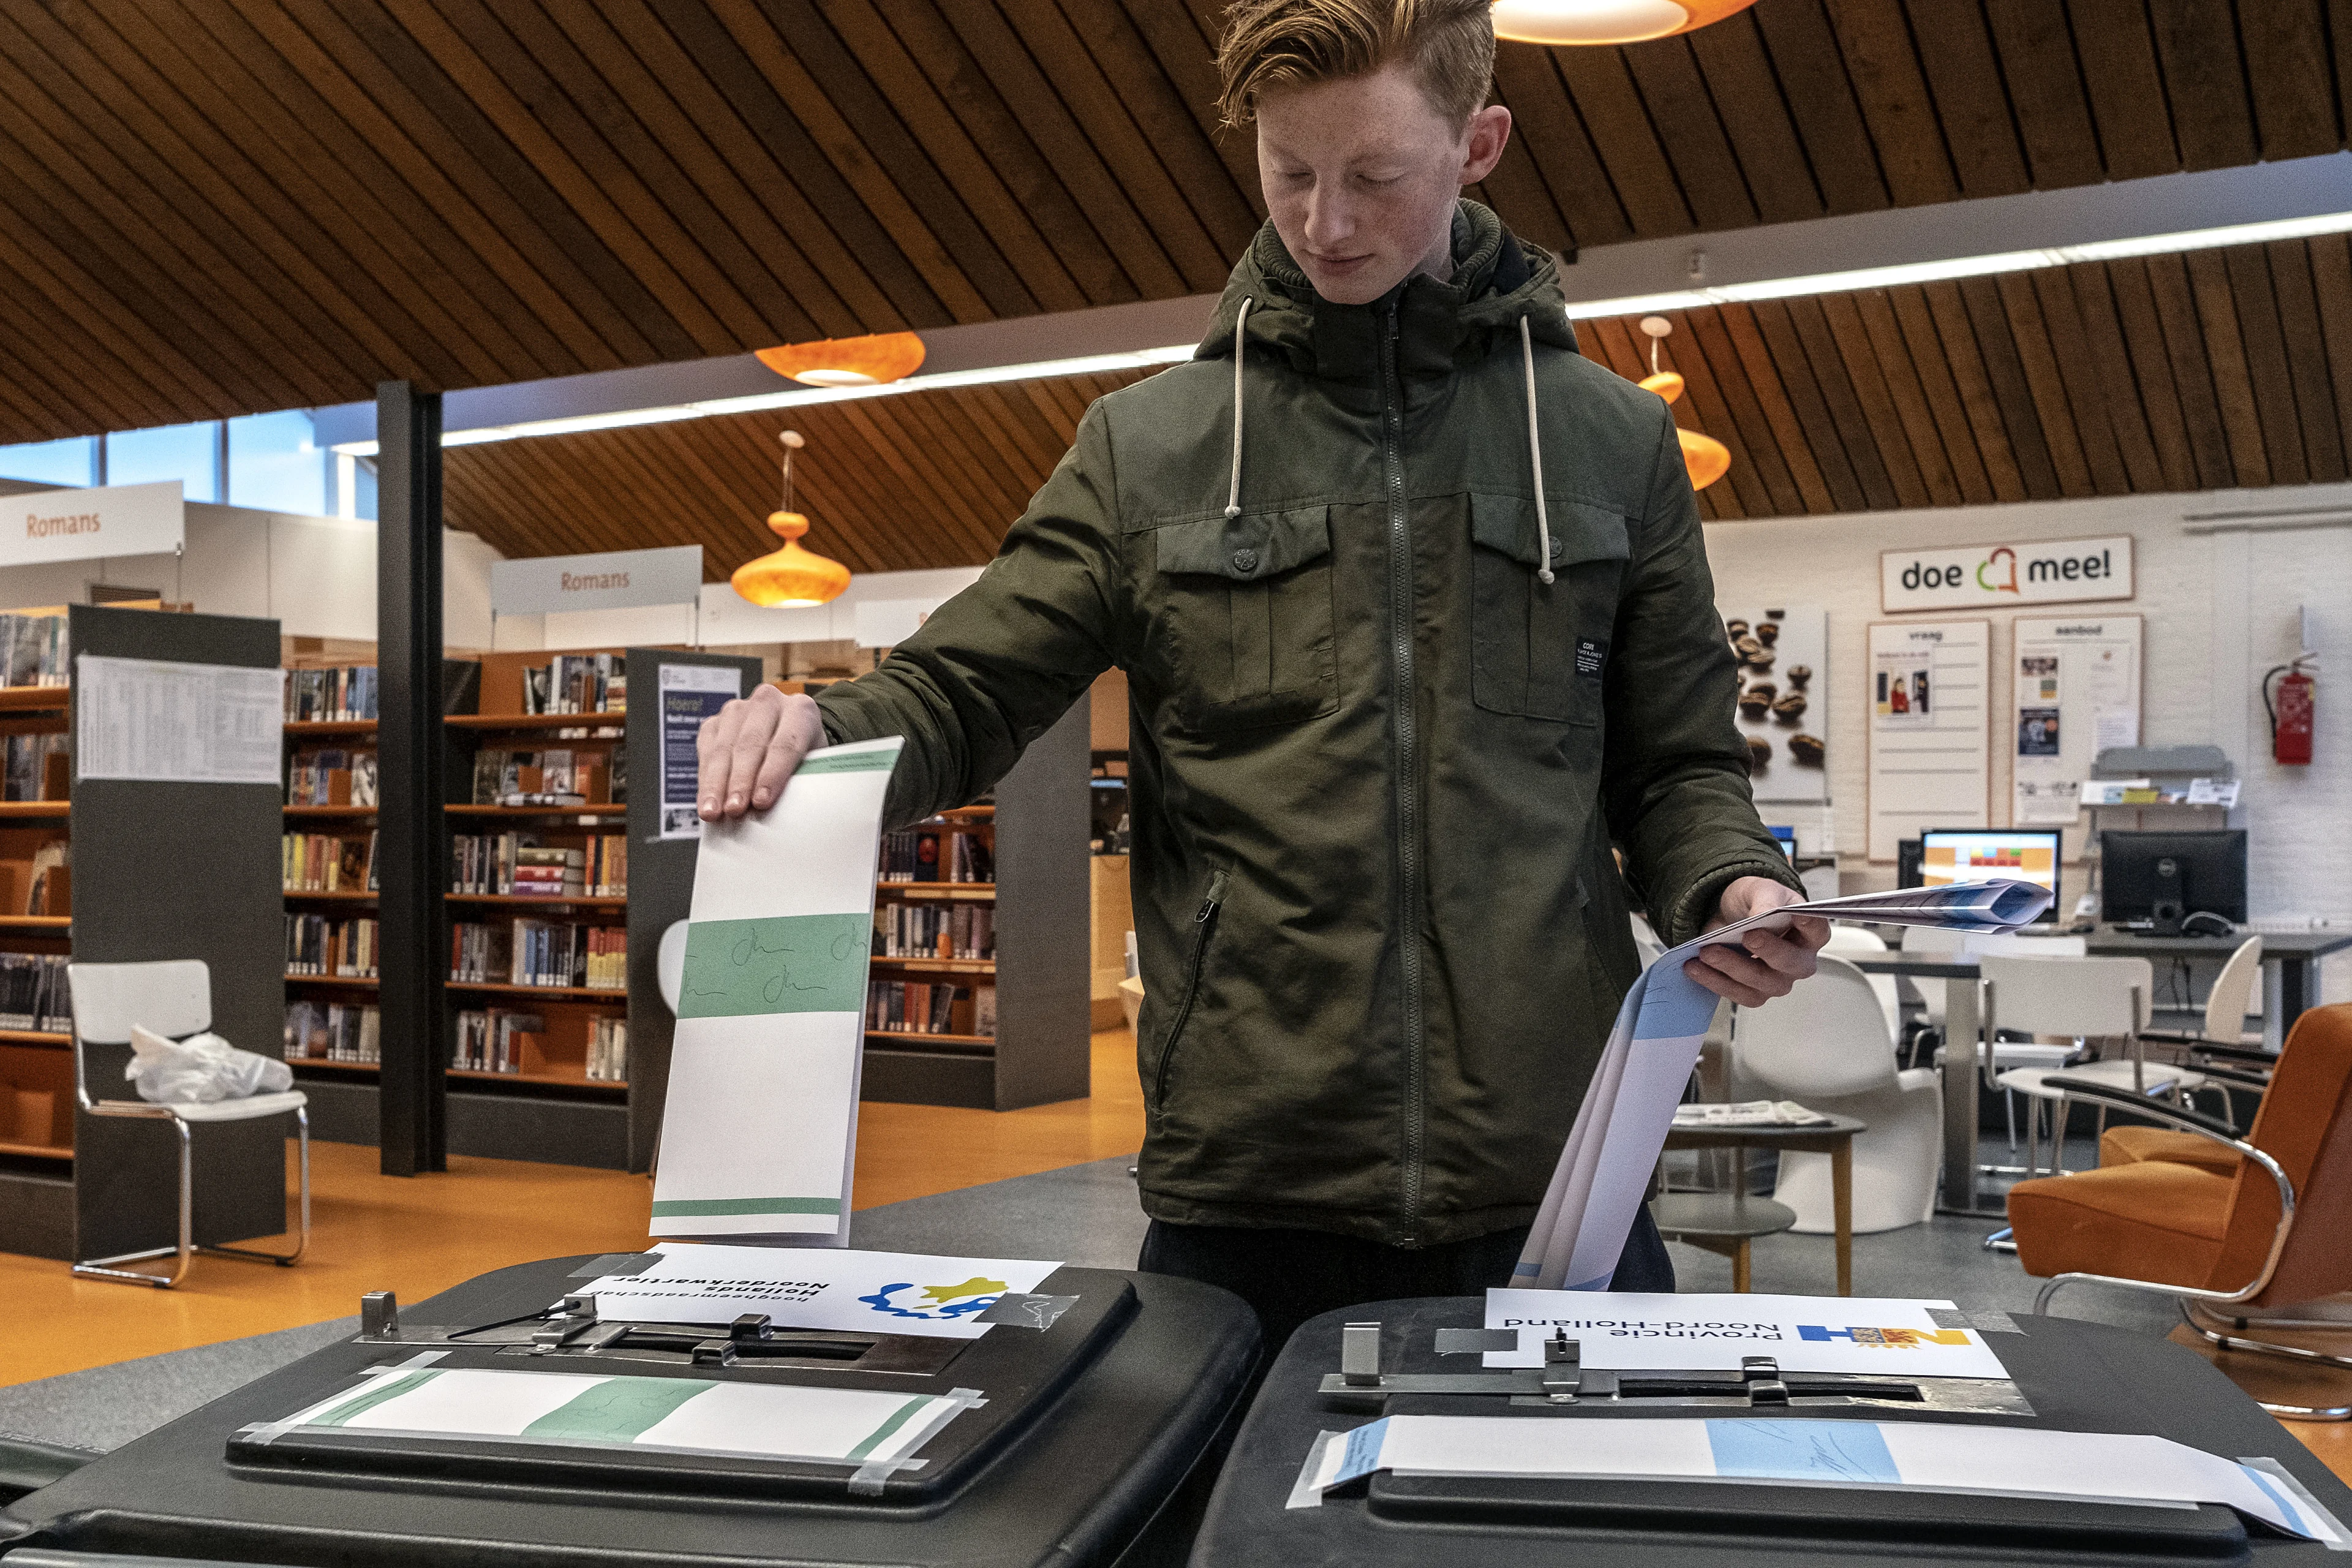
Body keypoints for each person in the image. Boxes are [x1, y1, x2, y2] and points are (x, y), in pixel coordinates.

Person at [698, 0, 1826, 1355]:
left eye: (1374, 176)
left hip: (1556, 1180)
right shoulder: (1149, 449)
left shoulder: (1615, 444)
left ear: (1480, 145)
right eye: (1288, 172)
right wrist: (821, 721)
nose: (1324, 222)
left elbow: (1679, 765)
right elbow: (961, 688)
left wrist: (1733, 882)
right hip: (1247, 1186)